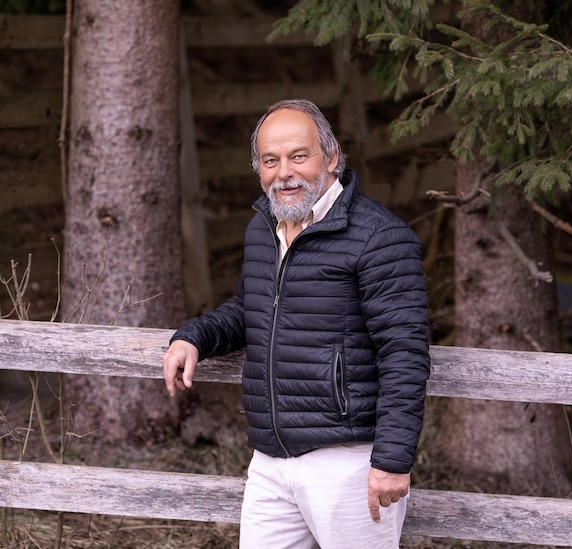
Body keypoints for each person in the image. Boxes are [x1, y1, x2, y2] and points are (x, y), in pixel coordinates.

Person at [163, 99, 430, 548]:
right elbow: (251, 307)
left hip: (347, 460)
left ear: (331, 157)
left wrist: (392, 460)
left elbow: (405, 352)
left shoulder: (379, 236)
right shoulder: (264, 226)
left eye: (298, 156)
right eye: (271, 160)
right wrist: (194, 337)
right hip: (270, 460)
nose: (283, 172)